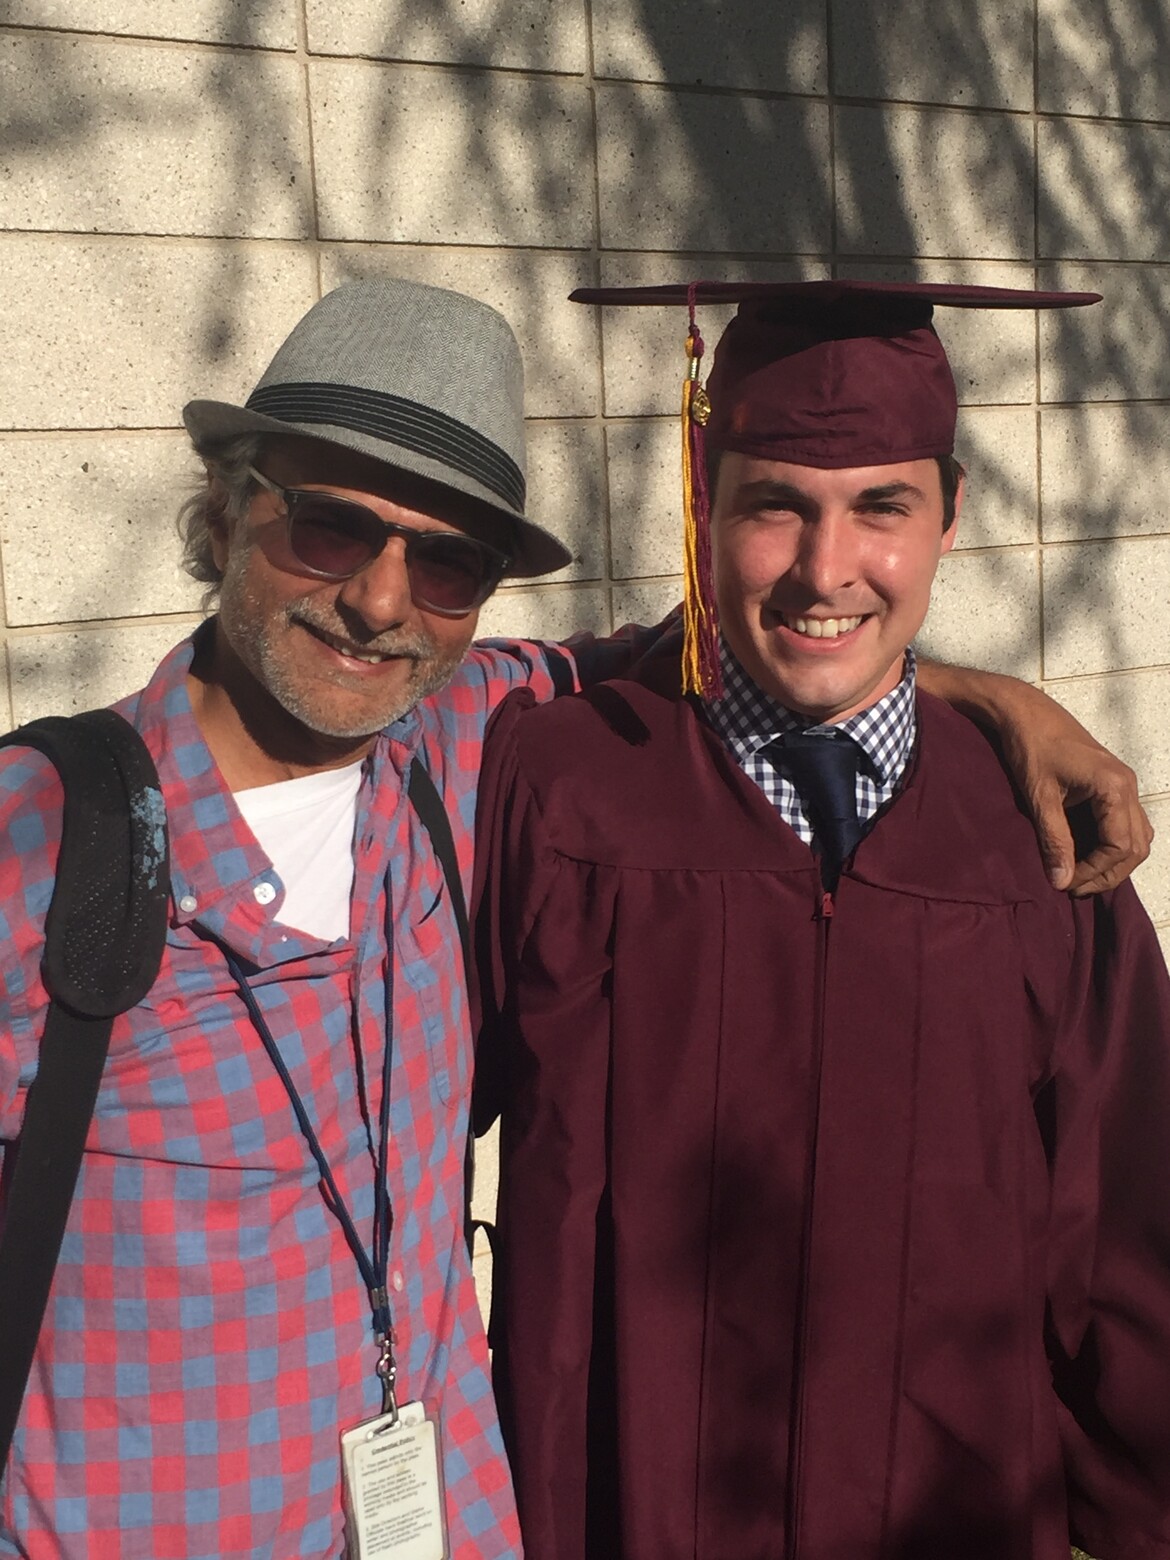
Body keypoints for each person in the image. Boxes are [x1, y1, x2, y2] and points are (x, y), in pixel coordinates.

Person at [0, 277, 1149, 1560]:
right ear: (226, 510)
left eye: (447, 560)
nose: (382, 603)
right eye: (326, 528)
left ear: (949, 521)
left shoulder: (470, 761)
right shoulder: (46, 843)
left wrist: (979, 698)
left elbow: (803, 640)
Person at [474, 280, 1170, 1560]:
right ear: (705, 507)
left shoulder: (1039, 844)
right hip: (617, 1509)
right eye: (774, 504)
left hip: (957, 1506)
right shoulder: (556, 792)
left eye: (881, 509)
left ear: (952, 516)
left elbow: (1126, 1245)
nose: (823, 568)